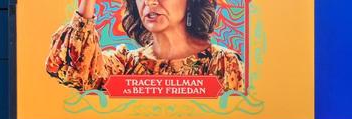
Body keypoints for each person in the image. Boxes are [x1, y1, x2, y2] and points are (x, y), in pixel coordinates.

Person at [46, 0, 244, 94]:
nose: (150, 2)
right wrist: (86, 6)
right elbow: (77, 74)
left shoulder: (223, 63)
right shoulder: (124, 64)